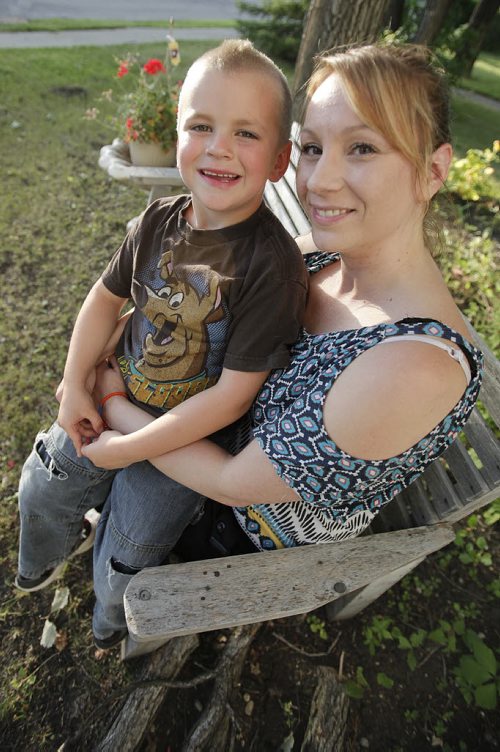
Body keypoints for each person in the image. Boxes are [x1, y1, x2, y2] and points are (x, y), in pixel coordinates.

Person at [89, 42, 483, 560]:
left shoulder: (416, 366)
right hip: (193, 433)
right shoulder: (317, 258)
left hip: (239, 539)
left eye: (362, 148)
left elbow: (231, 482)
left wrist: (114, 403)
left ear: (433, 171)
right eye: (314, 148)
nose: (318, 182)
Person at [15, 39, 308, 649]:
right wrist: (75, 386)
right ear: (177, 137)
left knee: (131, 551)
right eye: (200, 125)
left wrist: (133, 447)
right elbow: (103, 300)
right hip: (107, 398)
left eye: (246, 134)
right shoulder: (158, 221)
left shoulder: (270, 267)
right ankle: (38, 564)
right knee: (44, 483)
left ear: (280, 160)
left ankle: (108, 624)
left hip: (186, 445)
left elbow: (230, 399)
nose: (219, 146)